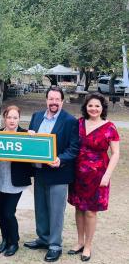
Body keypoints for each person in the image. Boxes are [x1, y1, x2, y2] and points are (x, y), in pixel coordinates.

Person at [24, 86, 79, 262]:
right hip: (39, 171)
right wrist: (28, 135)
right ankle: (43, 239)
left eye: (57, 99)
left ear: (62, 101)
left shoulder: (70, 121)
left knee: (56, 211)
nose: (53, 102)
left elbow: (74, 148)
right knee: (40, 208)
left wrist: (60, 159)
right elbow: (30, 143)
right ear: (46, 100)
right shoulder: (36, 116)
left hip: (58, 173)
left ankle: (55, 245)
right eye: (51, 99)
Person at [67, 93, 120, 262]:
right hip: (77, 173)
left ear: (102, 108)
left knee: (90, 211)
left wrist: (107, 175)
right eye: (90, 105)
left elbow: (116, 153)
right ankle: (80, 242)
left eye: (97, 106)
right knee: (78, 208)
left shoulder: (110, 127)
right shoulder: (79, 123)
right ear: (86, 107)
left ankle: (88, 246)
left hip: (98, 175)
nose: (94, 109)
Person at [0, 105, 32, 257]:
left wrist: (33, 136)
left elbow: (37, 149)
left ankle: (14, 242)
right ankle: (4, 240)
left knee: (8, 212)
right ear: (4, 118)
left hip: (16, 181)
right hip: (0, 179)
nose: (12, 120)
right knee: (2, 212)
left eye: (15, 117)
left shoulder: (26, 134)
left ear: (19, 119)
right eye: (9, 117)